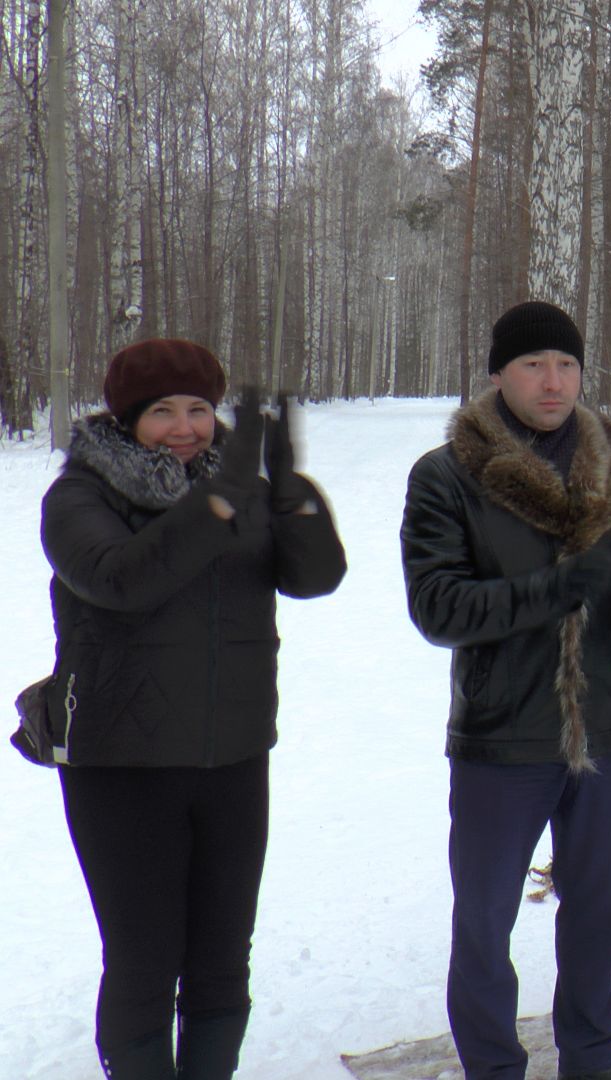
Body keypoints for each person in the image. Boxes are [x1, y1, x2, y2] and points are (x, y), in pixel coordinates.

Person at [400, 300, 611, 1080]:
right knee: (485, 918)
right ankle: (493, 1066)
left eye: (566, 364)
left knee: (602, 905)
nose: (553, 380)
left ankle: (592, 1054)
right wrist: (553, 590)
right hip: (504, 733)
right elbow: (437, 607)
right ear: (498, 373)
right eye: (534, 364)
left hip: (605, 724)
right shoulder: (448, 476)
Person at [39, 340, 346, 1079]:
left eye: (200, 409)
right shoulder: (80, 496)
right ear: (126, 419)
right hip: (122, 763)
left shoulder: (238, 486)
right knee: (146, 957)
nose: (186, 428)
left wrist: (291, 489)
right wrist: (218, 499)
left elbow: (315, 575)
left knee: (220, 958)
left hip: (234, 755)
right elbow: (121, 579)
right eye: (163, 412)